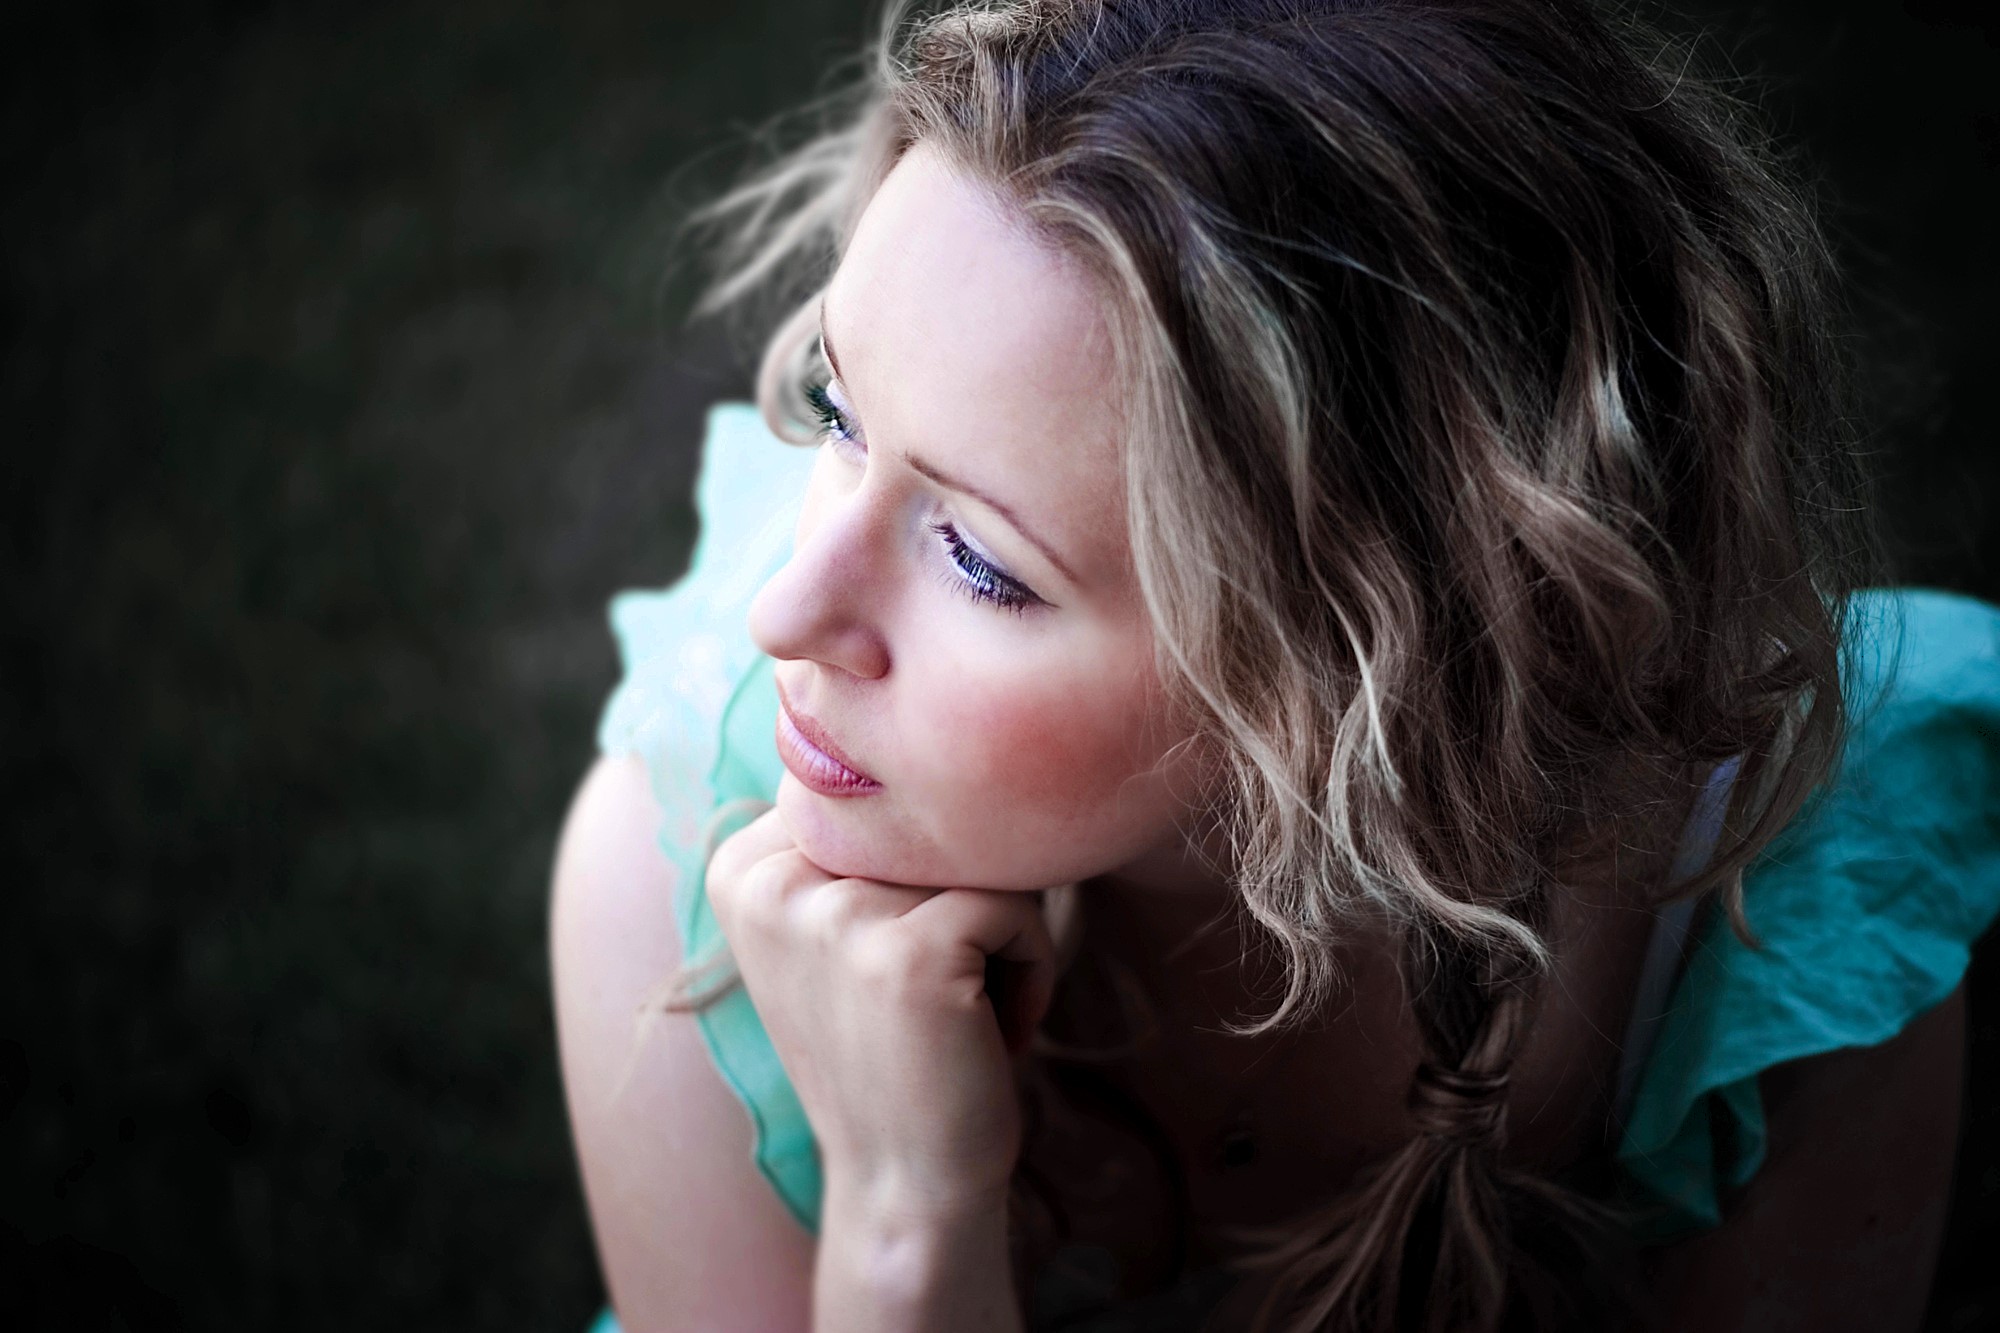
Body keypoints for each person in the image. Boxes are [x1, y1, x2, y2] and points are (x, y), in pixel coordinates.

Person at [548, 1, 2000, 1329]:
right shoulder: (686, 866)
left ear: (1359, 671)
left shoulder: (1775, 927)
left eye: (984, 562)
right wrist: (902, 1221)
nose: (786, 612)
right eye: (840, 407)